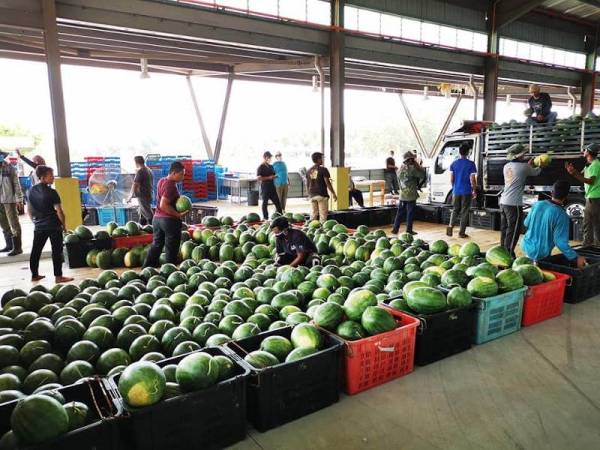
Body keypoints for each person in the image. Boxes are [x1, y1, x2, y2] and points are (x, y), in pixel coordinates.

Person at [521, 180, 586, 268]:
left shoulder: (537, 204)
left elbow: (526, 223)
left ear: (551, 192)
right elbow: (560, 242)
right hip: (541, 253)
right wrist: (575, 257)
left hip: (526, 246)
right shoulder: (561, 214)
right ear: (566, 196)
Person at [27, 165, 74, 283]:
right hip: (53, 225)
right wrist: (64, 225)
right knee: (56, 252)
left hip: (39, 226)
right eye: (51, 176)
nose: (53, 178)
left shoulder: (30, 191)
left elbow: (29, 210)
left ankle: (34, 275)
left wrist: (34, 221)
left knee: (36, 251)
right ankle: (58, 277)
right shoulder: (52, 192)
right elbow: (59, 211)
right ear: (42, 177)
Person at [499, 143, 542, 257]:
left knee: (505, 229)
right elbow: (536, 172)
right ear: (520, 155)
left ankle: (502, 252)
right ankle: (508, 254)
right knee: (514, 230)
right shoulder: (524, 167)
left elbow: (521, 171)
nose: (525, 155)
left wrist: (528, 165)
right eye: (523, 153)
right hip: (514, 204)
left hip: (503, 202)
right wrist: (541, 165)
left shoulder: (506, 166)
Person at [143, 161, 187, 267]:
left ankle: (146, 268)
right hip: (169, 221)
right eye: (181, 174)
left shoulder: (162, 181)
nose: (183, 177)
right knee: (171, 249)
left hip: (157, 219)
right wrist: (178, 215)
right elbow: (164, 205)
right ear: (174, 173)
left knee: (156, 245)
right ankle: (169, 271)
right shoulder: (171, 186)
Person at [566, 143, 600, 247]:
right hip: (590, 197)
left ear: (589, 152)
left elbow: (590, 181)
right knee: (592, 222)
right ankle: (592, 244)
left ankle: (589, 245)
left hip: (594, 197)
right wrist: (573, 172)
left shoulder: (595, 165)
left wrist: (574, 174)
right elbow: (581, 176)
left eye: (585, 150)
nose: (583, 151)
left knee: (590, 222)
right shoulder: (588, 164)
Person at [391, 151, 425, 235]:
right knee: (410, 213)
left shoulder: (400, 169)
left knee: (400, 213)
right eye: (412, 159)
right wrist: (417, 165)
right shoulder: (412, 169)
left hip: (403, 194)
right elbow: (422, 175)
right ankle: (409, 230)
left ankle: (395, 229)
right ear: (410, 160)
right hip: (411, 195)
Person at [447, 143, 477, 238]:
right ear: (468, 152)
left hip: (456, 191)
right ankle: (461, 233)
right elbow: (472, 179)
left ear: (459, 152)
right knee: (464, 211)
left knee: (455, 210)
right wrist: (474, 190)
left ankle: (450, 226)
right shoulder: (471, 164)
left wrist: (454, 187)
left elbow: (452, 179)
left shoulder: (454, 164)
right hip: (466, 191)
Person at [0, 151, 23, 256]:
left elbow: (16, 183)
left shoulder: (9, 167)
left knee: (14, 223)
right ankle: (9, 245)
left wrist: (19, 198)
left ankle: (18, 247)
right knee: (3, 223)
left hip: (9, 199)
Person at [307, 152, 337, 223]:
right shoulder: (323, 170)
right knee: (323, 216)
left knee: (314, 215)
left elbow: (308, 184)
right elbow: (328, 183)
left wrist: (309, 194)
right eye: (322, 158)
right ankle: (322, 231)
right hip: (321, 195)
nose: (323, 160)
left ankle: (312, 231)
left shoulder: (310, 170)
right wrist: (334, 194)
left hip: (312, 195)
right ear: (318, 159)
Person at [128, 156, 154, 225]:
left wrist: (130, 196)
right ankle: (142, 227)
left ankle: (154, 228)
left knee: (148, 214)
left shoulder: (140, 171)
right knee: (142, 212)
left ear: (136, 162)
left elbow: (135, 184)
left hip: (142, 195)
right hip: (149, 194)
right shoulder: (149, 170)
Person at [256, 151, 283, 220]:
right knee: (265, 203)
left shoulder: (271, 166)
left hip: (272, 187)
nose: (270, 159)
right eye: (269, 158)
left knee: (277, 203)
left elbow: (273, 174)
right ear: (265, 158)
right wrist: (268, 177)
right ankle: (265, 218)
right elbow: (258, 178)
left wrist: (275, 176)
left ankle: (281, 216)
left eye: (270, 158)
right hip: (265, 187)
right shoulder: (261, 167)